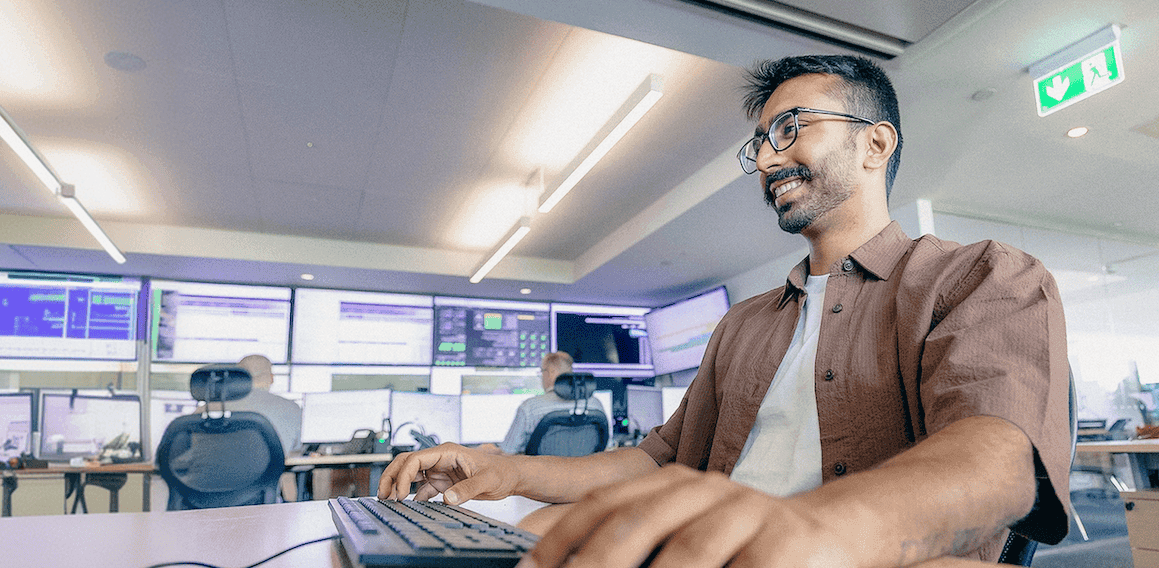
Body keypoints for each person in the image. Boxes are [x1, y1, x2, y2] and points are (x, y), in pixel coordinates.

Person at [379, 54, 1070, 567]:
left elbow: (997, 464)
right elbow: (657, 458)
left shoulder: (979, 276)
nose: (768, 160)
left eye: (790, 129)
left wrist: (811, 530)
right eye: (761, 143)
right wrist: (507, 470)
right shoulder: (744, 324)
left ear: (875, 143)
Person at [493, 352, 607, 455]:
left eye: (542, 371)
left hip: (542, 477)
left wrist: (489, 449)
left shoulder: (529, 407)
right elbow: (605, 446)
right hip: (583, 476)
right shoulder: (595, 405)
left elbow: (507, 453)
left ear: (550, 372)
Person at [198, 354, 302, 454]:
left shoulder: (207, 409)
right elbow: (296, 448)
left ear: (237, 379)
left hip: (213, 470)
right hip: (270, 471)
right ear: (271, 378)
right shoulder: (293, 408)